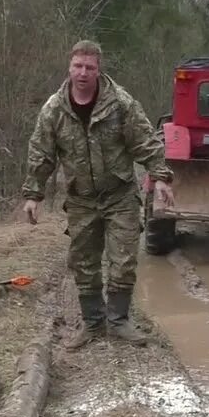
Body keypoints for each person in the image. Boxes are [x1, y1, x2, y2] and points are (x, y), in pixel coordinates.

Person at [21, 40, 176, 349]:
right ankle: (93, 323)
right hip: (81, 198)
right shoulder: (54, 110)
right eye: (78, 66)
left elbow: (144, 140)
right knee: (84, 262)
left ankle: (118, 321)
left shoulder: (120, 103)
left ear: (98, 69)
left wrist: (159, 177)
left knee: (123, 260)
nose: (83, 73)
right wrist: (33, 194)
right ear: (69, 67)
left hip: (119, 195)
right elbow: (41, 153)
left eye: (89, 67)